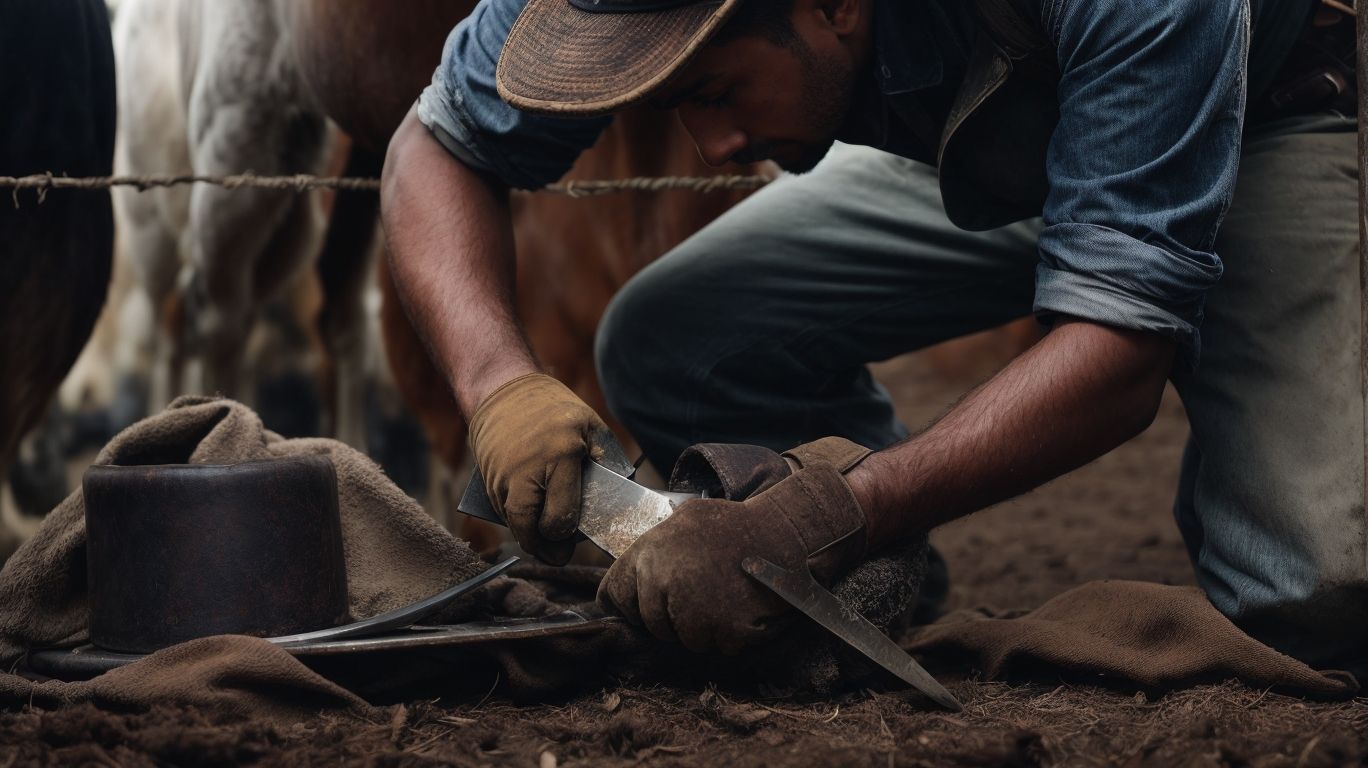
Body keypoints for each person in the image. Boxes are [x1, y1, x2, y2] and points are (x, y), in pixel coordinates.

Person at [381, 0, 1365, 668]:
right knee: (672, 337)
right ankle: (876, 582)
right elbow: (432, 147)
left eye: (715, 93)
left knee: (1313, 595)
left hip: (1254, 119)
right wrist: (497, 386)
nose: (711, 149)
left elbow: (1117, 359)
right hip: (981, 143)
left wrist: (820, 517)